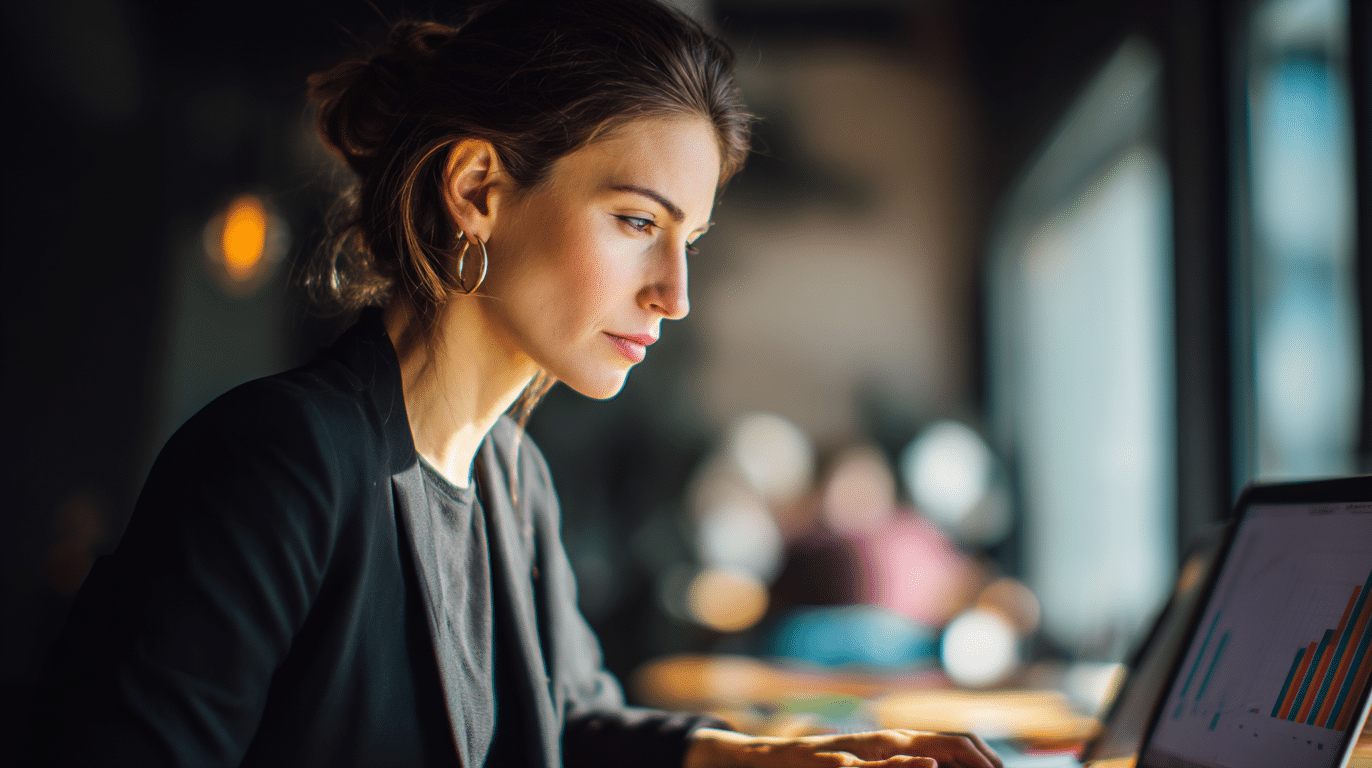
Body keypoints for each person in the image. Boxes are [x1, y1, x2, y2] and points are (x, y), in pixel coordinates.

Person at [22, 2, 1005, 767]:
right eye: (636, 222)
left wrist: (779, 756)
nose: (675, 294)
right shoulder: (282, 462)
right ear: (478, 190)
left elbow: (565, 727)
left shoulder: (512, 478)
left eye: (688, 240)